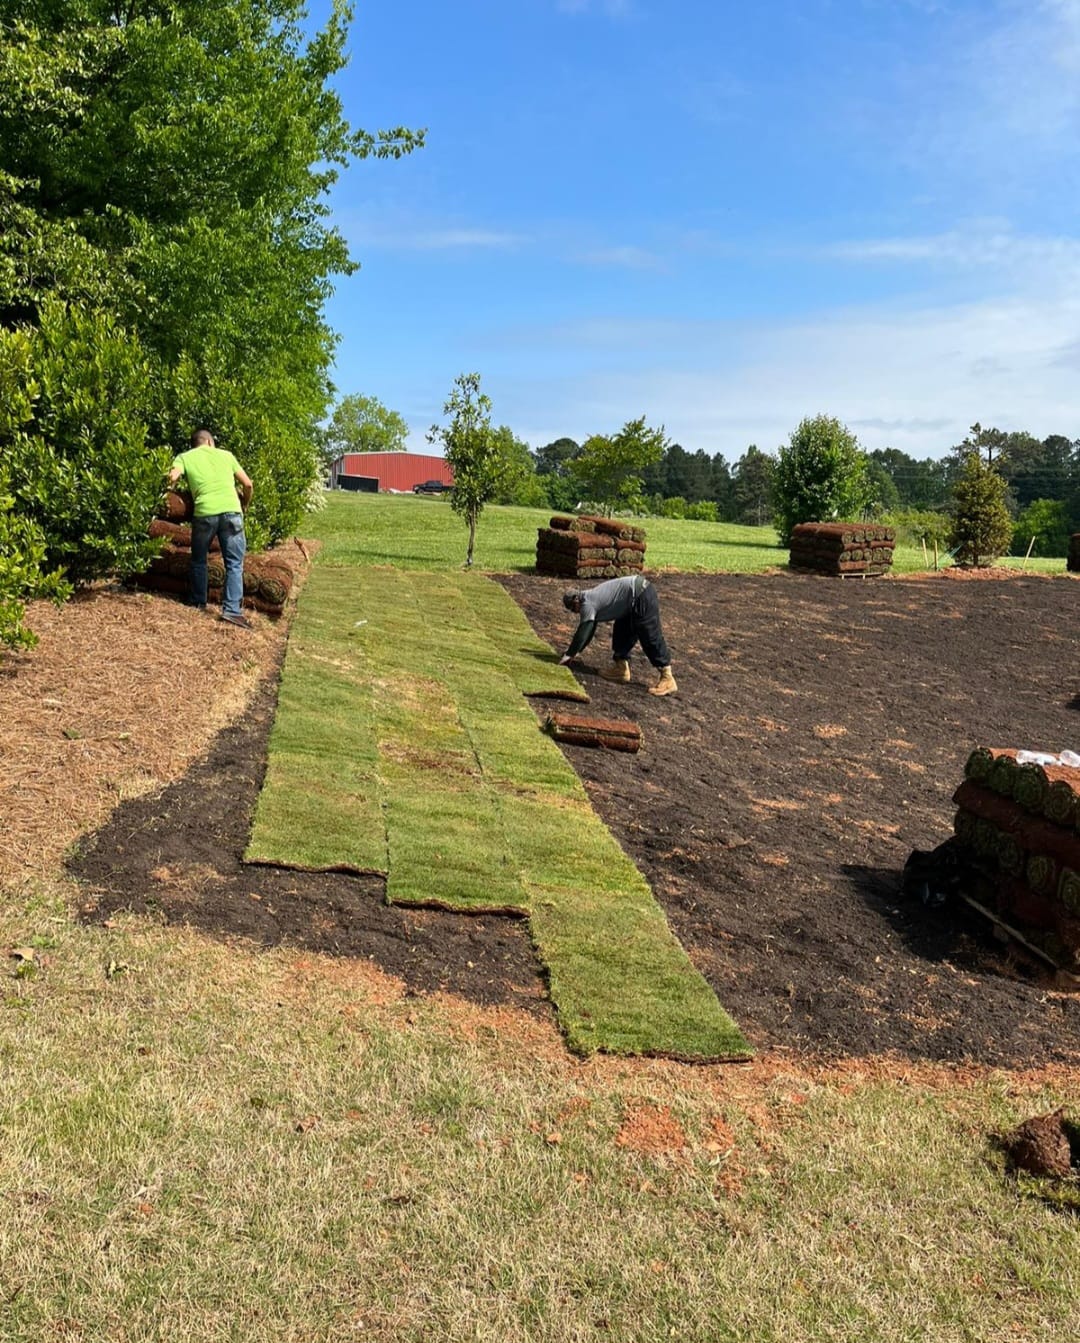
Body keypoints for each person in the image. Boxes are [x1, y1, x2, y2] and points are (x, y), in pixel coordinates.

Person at [167, 429, 254, 628]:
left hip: (204, 513)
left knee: (199, 559)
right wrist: (245, 504)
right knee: (234, 563)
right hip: (232, 512)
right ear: (209, 442)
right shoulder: (227, 455)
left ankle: (198, 600)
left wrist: (168, 495)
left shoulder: (184, 457)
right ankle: (232, 611)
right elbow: (248, 484)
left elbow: (171, 478)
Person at [559, 574, 677, 696]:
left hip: (642, 594)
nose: (576, 612)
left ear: (576, 601)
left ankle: (667, 677)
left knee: (649, 635)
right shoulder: (587, 598)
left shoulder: (586, 604)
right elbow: (589, 631)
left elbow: (583, 632)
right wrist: (575, 652)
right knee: (622, 630)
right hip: (631, 601)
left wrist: (569, 654)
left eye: (573, 609)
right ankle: (621, 669)